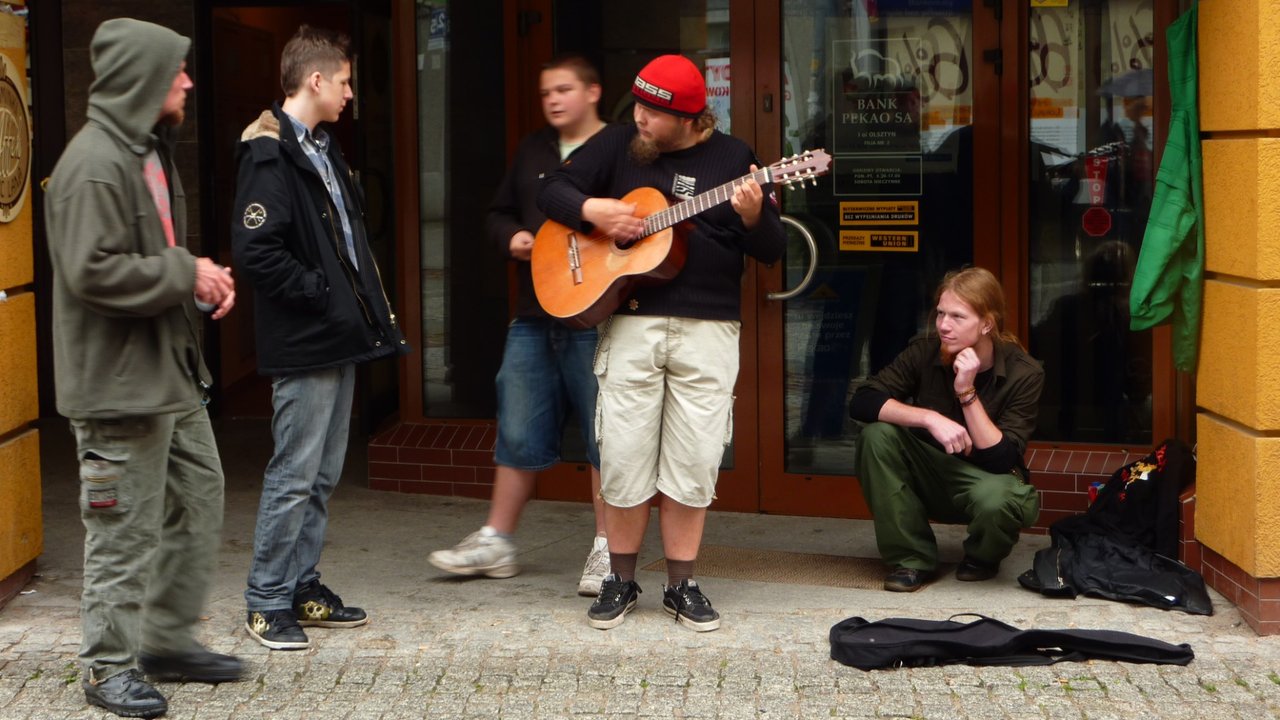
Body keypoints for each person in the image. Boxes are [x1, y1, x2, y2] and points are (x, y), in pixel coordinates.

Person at [538, 54, 786, 631]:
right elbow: (551, 188)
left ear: (691, 117)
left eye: (654, 110)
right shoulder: (620, 145)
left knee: (695, 458)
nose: (640, 117)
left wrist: (753, 217)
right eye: (639, 105)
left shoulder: (734, 158)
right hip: (630, 322)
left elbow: (772, 250)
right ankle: (620, 580)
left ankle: (682, 585)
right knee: (624, 454)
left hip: (709, 329)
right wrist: (593, 209)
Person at [45, 18, 241, 718]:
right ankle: (108, 666)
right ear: (144, 80)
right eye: (177, 71)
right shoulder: (92, 165)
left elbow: (155, 259)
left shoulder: (146, 151)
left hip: (166, 375)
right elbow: (92, 272)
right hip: (117, 388)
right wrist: (186, 270)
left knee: (200, 496)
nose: (189, 81)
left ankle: (162, 641)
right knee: (123, 528)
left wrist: (201, 281)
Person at [231, 24, 408, 651]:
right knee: (293, 473)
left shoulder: (324, 149)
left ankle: (302, 584)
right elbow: (257, 252)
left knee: (323, 473)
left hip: (339, 337)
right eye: (344, 81)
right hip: (307, 342)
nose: (351, 93)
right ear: (315, 80)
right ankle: (265, 600)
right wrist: (320, 294)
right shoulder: (268, 154)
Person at [428, 55, 612, 595]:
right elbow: (499, 212)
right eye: (545, 92)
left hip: (596, 316)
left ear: (593, 92)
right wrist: (509, 238)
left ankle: (608, 548)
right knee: (516, 426)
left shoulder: (618, 149)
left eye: (564, 89)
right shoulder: (533, 149)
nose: (553, 100)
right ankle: (497, 541)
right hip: (534, 312)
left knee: (606, 435)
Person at [848, 267, 1043, 592]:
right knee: (876, 436)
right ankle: (910, 558)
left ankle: (983, 556)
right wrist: (928, 418)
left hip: (984, 478)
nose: (943, 325)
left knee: (1000, 499)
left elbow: (1001, 458)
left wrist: (966, 391)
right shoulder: (924, 351)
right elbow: (863, 401)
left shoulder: (1025, 373)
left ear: (986, 324)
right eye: (940, 313)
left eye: (957, 316)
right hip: (929, 470)